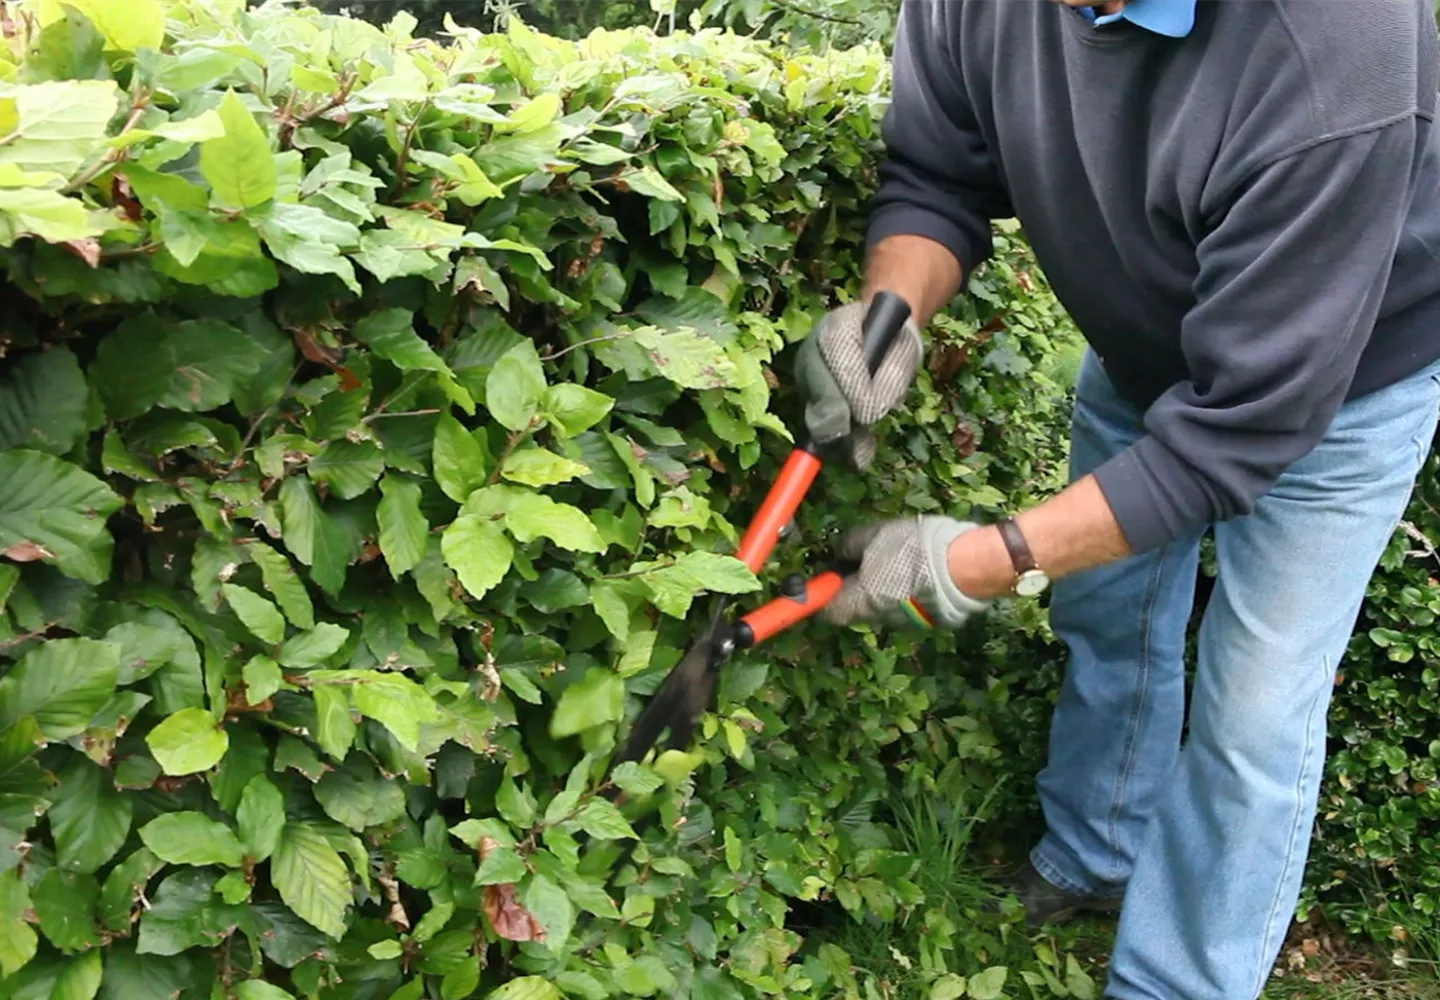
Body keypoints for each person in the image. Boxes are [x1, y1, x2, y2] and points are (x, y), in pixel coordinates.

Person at [794, 0, 1440, 997]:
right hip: (1145, 340)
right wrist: (889, 316)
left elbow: (1234, 433)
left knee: (1256, 709)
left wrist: (965, 563)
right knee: (1107, 601)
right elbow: (940, 168)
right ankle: (1099, 847)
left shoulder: (1338, 43)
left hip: (1337, 378)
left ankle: (1174, 981)